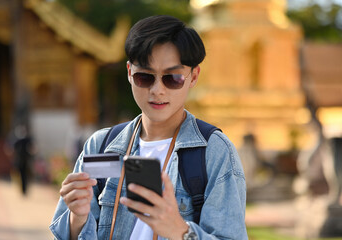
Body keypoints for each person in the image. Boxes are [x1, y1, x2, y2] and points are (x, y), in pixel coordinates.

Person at [50, 15, 248, 240]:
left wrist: (179, 231)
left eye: (173, 78)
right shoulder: (102, 146)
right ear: (129, 73)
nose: (157, 90)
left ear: (193, 77)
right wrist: (77, 219)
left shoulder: (214, 152)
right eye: (145, 77)